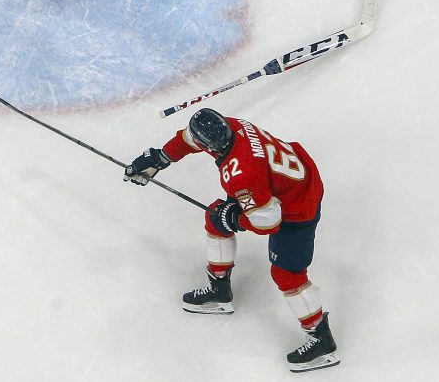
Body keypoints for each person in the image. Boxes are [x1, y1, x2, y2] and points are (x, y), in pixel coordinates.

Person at [124, 108, 340, 373]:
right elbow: (188, 139)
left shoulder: (241, 175)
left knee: (288, 276)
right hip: (282, 181)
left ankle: (321, 340)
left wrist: (235, 219)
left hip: (296, 206)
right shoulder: (233, 127)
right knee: (215, 217)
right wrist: (160, 157)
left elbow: (268, 222)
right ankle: (219, 290)